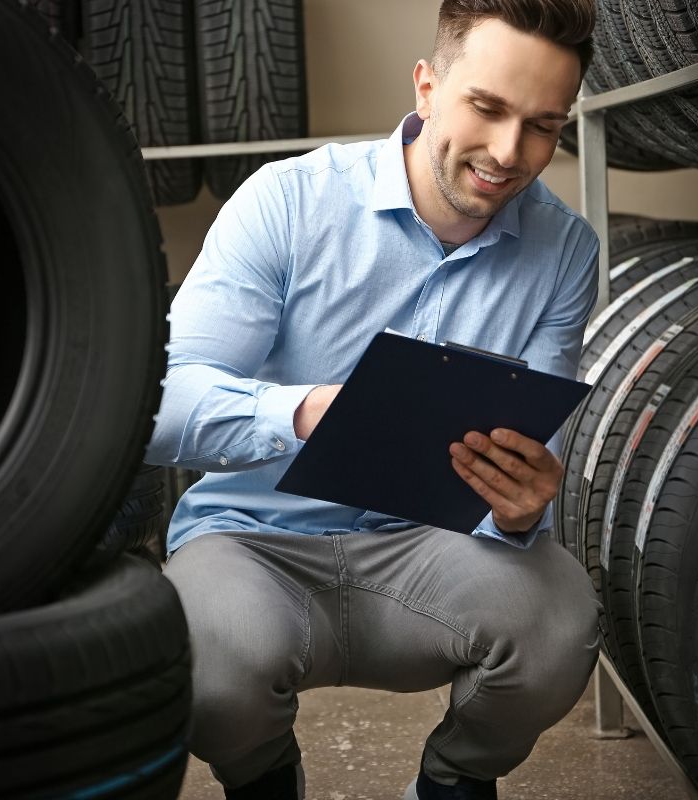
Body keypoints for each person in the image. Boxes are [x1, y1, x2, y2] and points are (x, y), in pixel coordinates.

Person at [146, 0, 602, 797]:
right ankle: (262, 776)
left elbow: (538, 454)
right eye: (487, 108)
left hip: (435, 552)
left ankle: (453, 782)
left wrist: (525, 506)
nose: (508, 152)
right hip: (256, 540)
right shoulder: (285, 201)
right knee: (206, 657)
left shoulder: (565, 250)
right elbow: (158, 407)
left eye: (543, 125)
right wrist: (302, 413)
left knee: (560, 624)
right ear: (426, 87)